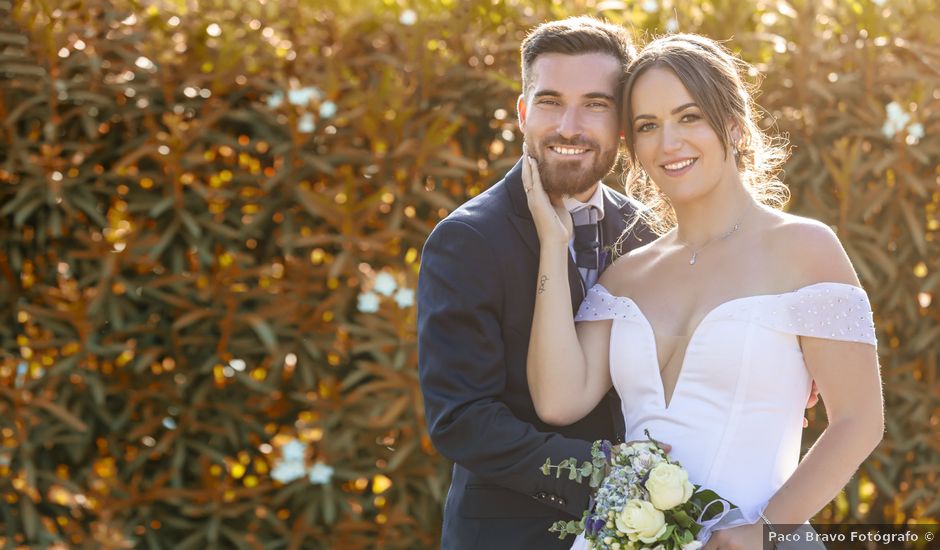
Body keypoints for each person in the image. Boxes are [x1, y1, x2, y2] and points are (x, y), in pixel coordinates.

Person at [523, 33, 884, 549]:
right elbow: (559, 400)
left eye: (689, 117)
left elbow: (858, 420)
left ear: (733, 126)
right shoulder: (626, 276)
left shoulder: (804, 249)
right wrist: (552, 246)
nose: (669, 143)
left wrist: (763, 531)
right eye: (648, 126)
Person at [417, 17, 653, 550]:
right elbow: (463, 420)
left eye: (595, 103)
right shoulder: (467, 240)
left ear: (621, 122)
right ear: (523, 113)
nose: (569, 126)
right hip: (515, 535)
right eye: (550, 102)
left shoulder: (651, 231)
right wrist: (607, 475)